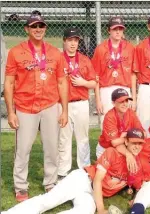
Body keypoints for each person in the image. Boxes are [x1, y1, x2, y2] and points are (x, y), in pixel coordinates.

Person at [2, 128, 146, 214]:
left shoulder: (137, 165)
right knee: (48, 201)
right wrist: (101, 210)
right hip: (82, 180)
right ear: (126, 142)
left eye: (140, 143)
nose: (137, 146)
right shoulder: (112, 152)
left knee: (85, 211)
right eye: (134, 142)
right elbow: (97, 181)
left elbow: (139, 186)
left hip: (92, 194)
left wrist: (134, 196)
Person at [4, 11, 68, 201]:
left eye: (41, 26)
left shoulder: (55, 52)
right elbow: (8, 83)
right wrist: (10, 112)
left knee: (51, 147)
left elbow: (62, 83)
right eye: (34, 26)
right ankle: (21, 186)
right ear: (27, 29)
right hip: (25, 107)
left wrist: (64, 110)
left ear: (45, 28)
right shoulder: (15, 52)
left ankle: (50, 182)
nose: (38, 29)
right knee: (23, 149)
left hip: (49, 105)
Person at [58, 28, 97, 179]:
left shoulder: (85, 60)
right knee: (64, 137)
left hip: (81, 102)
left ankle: (84, 168)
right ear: (64, 41)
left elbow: (94, 83)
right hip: (63, 103)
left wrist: (84, 82)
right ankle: (63, 170)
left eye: (75, 40)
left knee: (83, 137)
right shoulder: (59, 58)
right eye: (70, 40)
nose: (73, 43)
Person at [91, 16, 136, 129]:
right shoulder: (101, 49)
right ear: (109, 30)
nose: (117, 31)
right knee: (106, 121)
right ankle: (105, 147)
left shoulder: (130, 48)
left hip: (124, 88)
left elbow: (133, 74)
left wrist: (134, 97)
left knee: (126, 123)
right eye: (115, 29)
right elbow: (95, 76)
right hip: (106, 89)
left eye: (120, 29)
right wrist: (98, 100)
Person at [96, 88, 145, 173]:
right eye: (121, 101)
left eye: (126, 101)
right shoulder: (109, 116)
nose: (125, 104)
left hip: (123, 145)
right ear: (113, 103)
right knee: (109, 176)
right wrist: (128, 153)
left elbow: (143, 133)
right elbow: (114, 143)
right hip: (106, 149)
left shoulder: (130, 113)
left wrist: (126, 135)